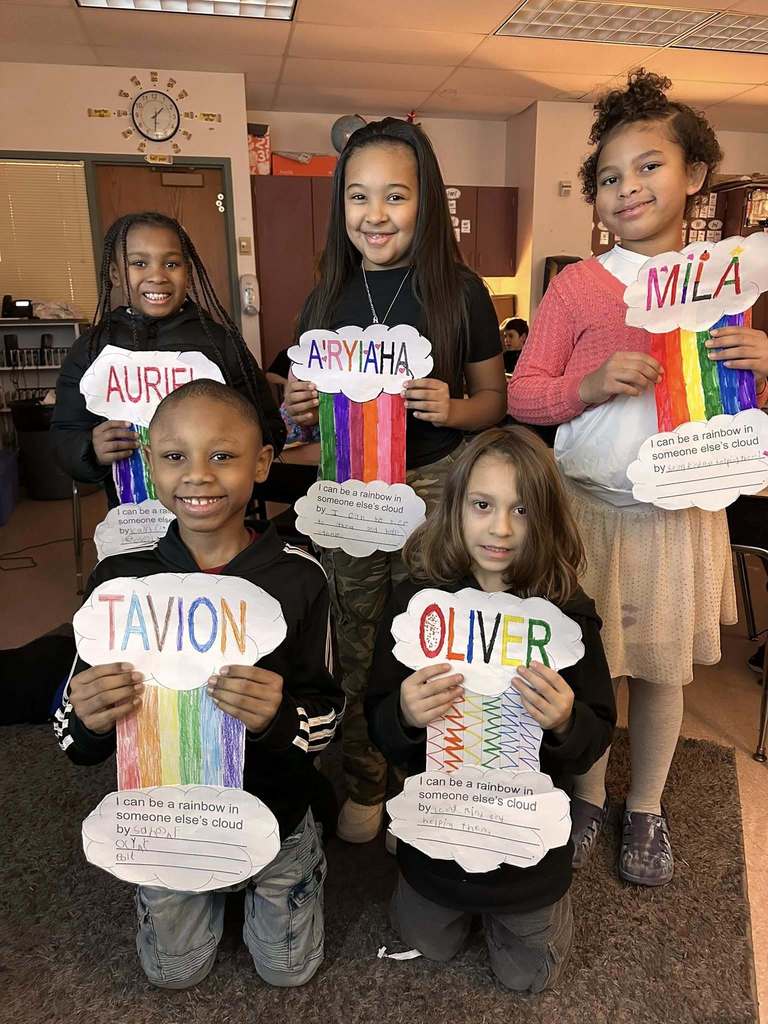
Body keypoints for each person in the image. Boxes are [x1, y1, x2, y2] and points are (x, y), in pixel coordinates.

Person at [507, 69, 768, 886]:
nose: (629, 189)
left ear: (694, 175)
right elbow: (522, 391)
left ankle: (645, 805)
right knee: (591, 666)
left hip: (683, 511)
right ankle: (588, 791)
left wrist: (765, 365)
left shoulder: (726, 282)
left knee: (661, 668)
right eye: (610, 177)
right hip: (589, 510)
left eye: (650, 166)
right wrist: (584, 386)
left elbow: (738, 401)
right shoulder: (577, 286)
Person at [53, 379, 345, 989]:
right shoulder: (120, 581)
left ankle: (299, 862)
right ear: (150, 464)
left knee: (288, 972)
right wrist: (84, 715)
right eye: (175, 456)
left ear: (262, 463)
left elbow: (327, 712)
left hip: (276, 813)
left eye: (222, 455)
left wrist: (278, 717)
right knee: (173, 974)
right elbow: (74, 735)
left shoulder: (300, 576)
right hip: (165, 821)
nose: (198, 476)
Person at [283, 117, 507, 844]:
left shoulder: (461, 293)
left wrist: (455, 405)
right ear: (340, 207)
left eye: (395, 197)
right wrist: (298, 410)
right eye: (357, 197)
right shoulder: (325, 301)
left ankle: (436, 772)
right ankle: (365, 776)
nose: (375, 216)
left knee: (430, 635)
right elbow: (307, 421)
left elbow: (494, 401)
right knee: (354, 639)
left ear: (427, 203)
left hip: (435, 488)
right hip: (351, 490)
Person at [365, 426, 615, 992]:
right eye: (483, 505)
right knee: (430, 944)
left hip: (527, 860)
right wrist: (404, 714)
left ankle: (521, 918)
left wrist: (564, 722)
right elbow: (377, 719)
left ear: (546, 519)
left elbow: (597, 735)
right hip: (435, 842)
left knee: (527, 978)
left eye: (521, 510)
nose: (500, 528)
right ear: (454, 508)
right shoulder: (414, 603)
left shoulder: (566, 615)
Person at [52, 211, 285, 507]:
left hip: (215, 511)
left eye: (171, 264)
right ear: (115, 274)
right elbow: (65, 433)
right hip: (132, 519)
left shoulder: (221, 344)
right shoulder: (92, 349)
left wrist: (231, 448)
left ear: (187, 273)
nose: (157, 275)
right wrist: (90, 449)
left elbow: (269, 427)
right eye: (139, 263)